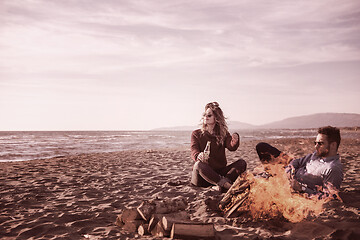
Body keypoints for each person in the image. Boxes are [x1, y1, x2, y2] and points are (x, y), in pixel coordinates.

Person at [256, 126, 343, 196]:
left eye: (320, 143)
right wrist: (290, 170)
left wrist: (302, 189)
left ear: (333, 145)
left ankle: (267, 177)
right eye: (315, 143)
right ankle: (268, 174)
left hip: (294, 188)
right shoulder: (316, 155)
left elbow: (329, 197)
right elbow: (297, 162)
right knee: (262, 147)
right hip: (288, 172)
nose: (316, 147)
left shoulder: (333, 168)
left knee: (259, 185)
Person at [191, 102, 247, 191]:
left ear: (216, 118)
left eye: (209, 115)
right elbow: (194, 150)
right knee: (198, 165)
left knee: (241, 163)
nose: (206, 117)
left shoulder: (223, 134)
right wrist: (198, 155)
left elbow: (231, 147)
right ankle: (226, 185)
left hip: (219, 173)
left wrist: (235, 141)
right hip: (203, 176)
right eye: (205, 115)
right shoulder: (196, 134)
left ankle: (221, 185)